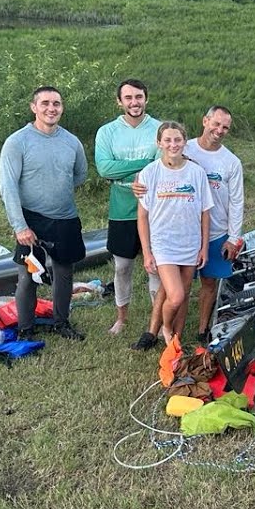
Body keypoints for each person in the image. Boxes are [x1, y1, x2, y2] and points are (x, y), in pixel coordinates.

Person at [0, 86, 88, 341]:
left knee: (64, 273)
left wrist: (54, 186)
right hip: (31, 219)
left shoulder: (71, 142)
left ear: (62, 108)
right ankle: (25, 329)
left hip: (65, 217)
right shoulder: (17, 142)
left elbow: (80, 175)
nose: (51, 108)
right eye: (45, 103)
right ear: (33, 107)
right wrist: (20, 226)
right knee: (28, 276)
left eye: (56, 103)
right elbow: (8, 187)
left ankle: (62, 323)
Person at [94, 79, 161, 340]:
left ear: (146, 98)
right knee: (122, 267)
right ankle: (121, 318)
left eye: (139, 97)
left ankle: (157, 322)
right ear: (119, 101)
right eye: (129, 98)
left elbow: (163, 166)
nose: (134, 102)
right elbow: (104, 169)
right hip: (121, 210)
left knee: (155, 268)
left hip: (155, 209)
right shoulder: (107, 132)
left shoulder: (158, 129)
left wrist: (125, 168)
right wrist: (146, 163)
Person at [136, 121, 213, 345]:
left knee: (185, 293)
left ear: (184, 141)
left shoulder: (196, 172)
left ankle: (176, 340)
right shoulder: (150, 173)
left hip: (190, 242)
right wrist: (147, 252)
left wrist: (204, 247)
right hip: (163, 243)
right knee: (176, 295)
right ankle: (166, 328)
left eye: (178, 139)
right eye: (167, 140)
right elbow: (142, 216)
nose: (173, 144)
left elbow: (205, 213)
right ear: (159, 143)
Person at [183, 106, 245, 347]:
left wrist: (233, 237)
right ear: (205, 121)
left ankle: (202, 329)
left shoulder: (231, 162)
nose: (219, 130)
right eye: (216, 124)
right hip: (186, 232)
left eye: (225, 127)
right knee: (181, 285)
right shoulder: (184, 148)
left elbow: (237, 201)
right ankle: (173, 331)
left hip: (217, 232)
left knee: (209, 283)